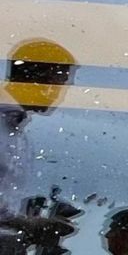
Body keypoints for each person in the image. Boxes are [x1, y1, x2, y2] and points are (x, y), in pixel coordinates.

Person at [0, 41, 80, 255]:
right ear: (42, 82)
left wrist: (29, 223)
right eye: (61, 83)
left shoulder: (20, 137)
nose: (61, 94)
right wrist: (28, 224)